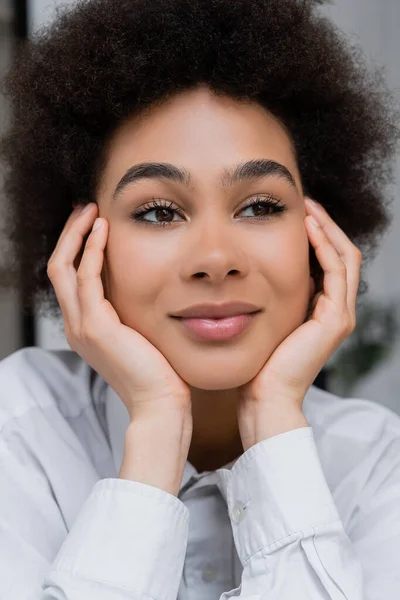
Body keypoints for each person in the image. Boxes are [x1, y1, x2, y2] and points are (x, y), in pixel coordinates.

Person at [0, 0, 399, 597]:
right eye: (159, 212)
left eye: (260, 206)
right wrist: (156, 426)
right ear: (80, 245)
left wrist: (275, 423)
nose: (217, 259)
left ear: (320, 237)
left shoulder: (375, 463)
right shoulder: (17, 430)